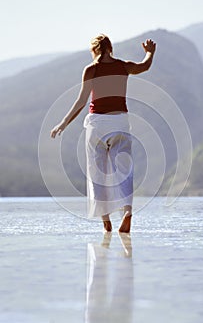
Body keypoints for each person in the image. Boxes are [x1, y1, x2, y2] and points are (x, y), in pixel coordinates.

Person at [50, 34, 156, 233]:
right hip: (120, 122)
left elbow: (81, 102)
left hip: (97, 124)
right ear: (110, 48)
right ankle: (127, 211)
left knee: (96, 173)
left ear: (95, 50)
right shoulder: (123, 66)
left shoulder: (91, 70)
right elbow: (144, 66)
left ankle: (105, 219)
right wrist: (150, 53)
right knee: (124, 171)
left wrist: (62, 124)